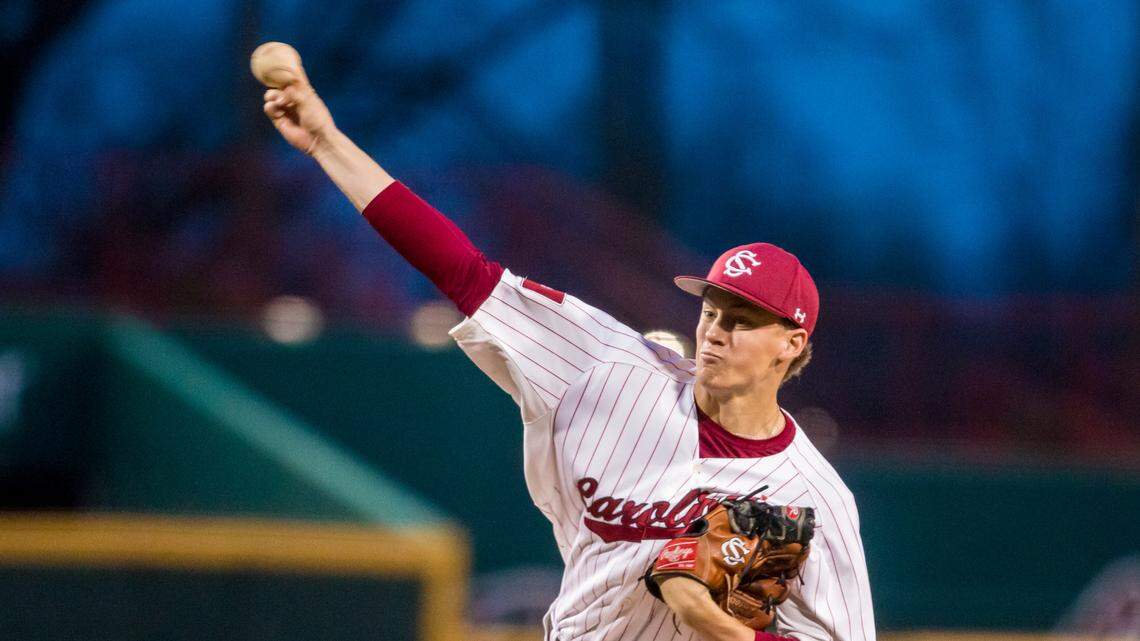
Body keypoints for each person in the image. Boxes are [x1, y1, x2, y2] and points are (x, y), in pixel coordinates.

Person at [261, 74, 875, 641]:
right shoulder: (608, 369)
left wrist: (724, 626)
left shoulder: (815, 497)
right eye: (711, 311)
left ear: (791, 343)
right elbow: (462, 272)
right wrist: (326, 142)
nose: (715, 332)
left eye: (740, 321)